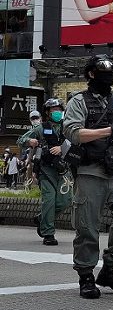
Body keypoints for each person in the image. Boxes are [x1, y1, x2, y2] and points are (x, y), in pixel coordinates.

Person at [63, 55, 113, 299]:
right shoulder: (78, 102)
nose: (108, 75)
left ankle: (110, 268)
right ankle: (86, 276)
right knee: (87, 227)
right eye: (102, 71)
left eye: (111, 71)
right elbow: (74, 134)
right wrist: (108, 130)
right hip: (89, 171)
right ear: (91, 74)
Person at [18, 99, 74, 245]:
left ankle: (42, 218)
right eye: (53, 110)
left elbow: (78, 142)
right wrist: (30, 141)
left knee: (65, 200)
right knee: (49, 201)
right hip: (46, 170)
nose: (57, 112)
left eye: (58, 109)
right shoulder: (42, 128)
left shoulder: (68, 127)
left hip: (64, 170)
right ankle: (48, 233)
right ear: (48, 113)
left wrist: (62, 148)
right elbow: (21, 139)